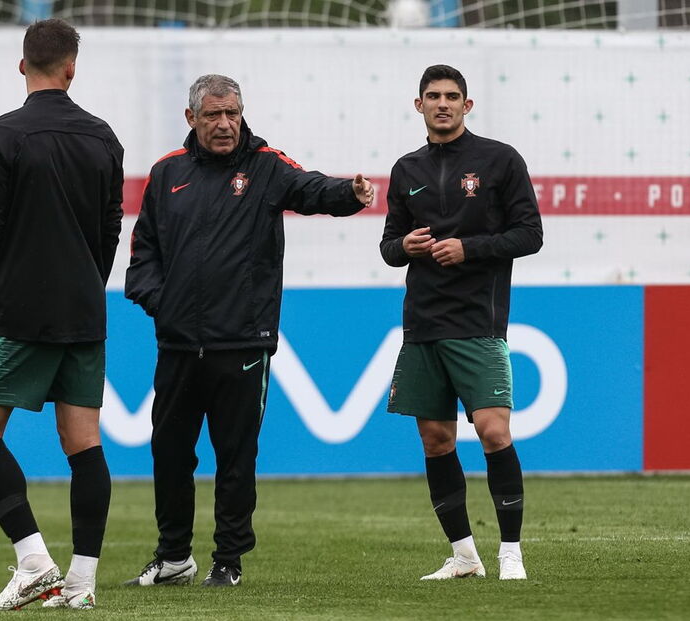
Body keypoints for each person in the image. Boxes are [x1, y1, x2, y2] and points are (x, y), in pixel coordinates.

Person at [124, 74, 374, 588]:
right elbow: (143, 253)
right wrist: (161, 304)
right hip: (177, 345)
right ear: (191, 118)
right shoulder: (165, 173)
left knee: (235, 459)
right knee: (170, 455)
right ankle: (173, 558)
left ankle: (228, 562)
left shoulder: (265, 166)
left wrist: (349, 193)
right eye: (214, 114)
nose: (225, 124)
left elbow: (312, 188)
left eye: (232, 113)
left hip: (241, 342)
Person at [0, 18, 124, 611]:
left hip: (20, 312)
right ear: (72, 68)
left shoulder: (1, 134)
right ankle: (81, 584)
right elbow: (110, 230)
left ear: (21, 64)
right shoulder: (103, 137)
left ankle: (34, 562)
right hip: (84, 308)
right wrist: (86, 283)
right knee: (83, 443)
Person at [380, 64, 543, 581]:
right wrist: (404, 247)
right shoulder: (406, 169)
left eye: (452, 96)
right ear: (419, 105)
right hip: (422, 324)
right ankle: (465, 556)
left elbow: (530, 234)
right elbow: (389, 247)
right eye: (433, 96)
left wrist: (468, 249)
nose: (443, 104)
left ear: (467, 105)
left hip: (478, 321)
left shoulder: (500, 160)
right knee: (436, 441)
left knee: (494, 433)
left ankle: (511, 553)